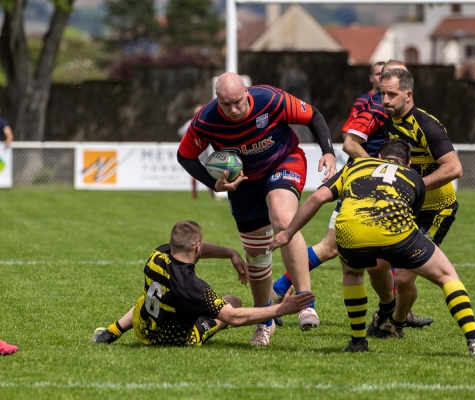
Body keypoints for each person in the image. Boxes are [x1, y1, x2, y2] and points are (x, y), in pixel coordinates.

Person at [270, 139, 475, 355]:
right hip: (396, 232)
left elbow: (317, 198)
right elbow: (410, 215)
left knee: (352, 274)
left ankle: (357, 342)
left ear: (380, 156)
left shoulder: (355, 166)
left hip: (351, 232)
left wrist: (289, 232)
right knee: (446, 275)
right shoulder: (412, 176)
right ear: (409, 162)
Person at [271, 60, 435, 336]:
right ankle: (278, 291)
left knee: (382, 247)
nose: (385, 85)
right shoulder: (368, 104)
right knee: (332, 248)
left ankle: (396, 311)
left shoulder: (404, 112)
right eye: (380, 75)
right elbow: (349, 141)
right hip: (363, 185)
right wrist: (378, 170)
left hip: (380, 187)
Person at [177, 72, 336, 345]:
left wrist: (328, 150)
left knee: (283, 218)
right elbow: (185, 156)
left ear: (247, 93)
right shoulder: (206, 119)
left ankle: (304, 301)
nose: (233, 109)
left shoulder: (270, 99)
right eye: (226, 104)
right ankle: (265, 320)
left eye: (238, 101)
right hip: (243, 184)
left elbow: (313, 116)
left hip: (283, 162)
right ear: (218, 100)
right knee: (256, 254)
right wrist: (215, 185)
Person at [91, 220, 315, 347]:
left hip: (143, 326)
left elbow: (190, 249)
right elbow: (234, 318)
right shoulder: (194, 288)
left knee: (148, 297)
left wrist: (229, 253)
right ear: (197, 247)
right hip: (172, 340)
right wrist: (281, 308)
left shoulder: (157, 255)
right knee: (233, 302)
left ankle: (110, 332)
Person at [378, 65, 463, 335]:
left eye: (391, 95)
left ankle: (396, 323)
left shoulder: (428, 126)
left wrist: (415, 186)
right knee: (377, 266)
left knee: (402, 276)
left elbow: (454, 168)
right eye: (382, 94)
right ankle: (389, 314)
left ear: (408, 95)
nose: (385, 101)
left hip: (436, 210)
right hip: (406, 209)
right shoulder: (389, 124)